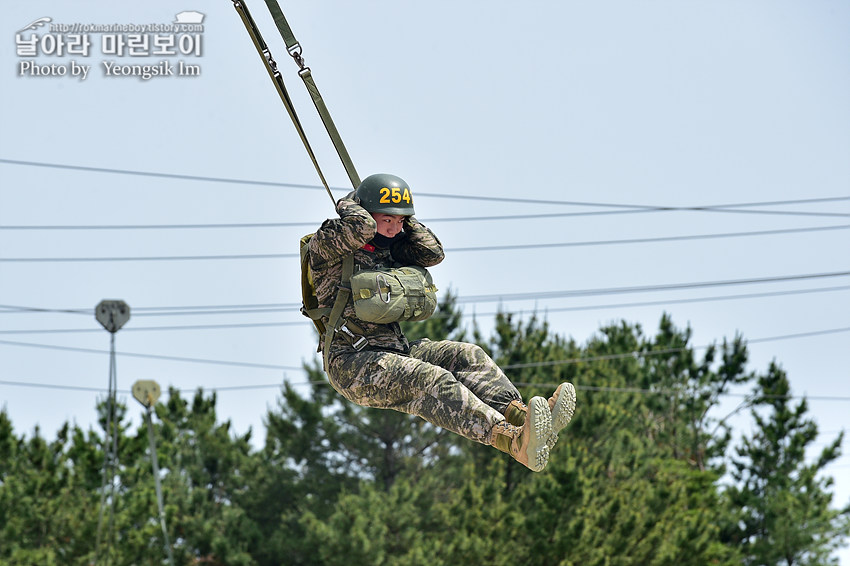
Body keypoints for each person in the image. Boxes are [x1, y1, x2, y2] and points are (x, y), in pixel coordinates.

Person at [307, 173, 576, 471]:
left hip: (396, 352)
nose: (395, 229)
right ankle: (511, 441)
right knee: (430, 380)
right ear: (365, 213)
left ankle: (522, 417)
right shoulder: (329, 246)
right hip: (353, 362)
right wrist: (350, 204)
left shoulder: (390, 247)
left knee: (467, 356)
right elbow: (361, 227)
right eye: (388, 220)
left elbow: (432, 252)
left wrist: (405, 219)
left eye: (400, 221)